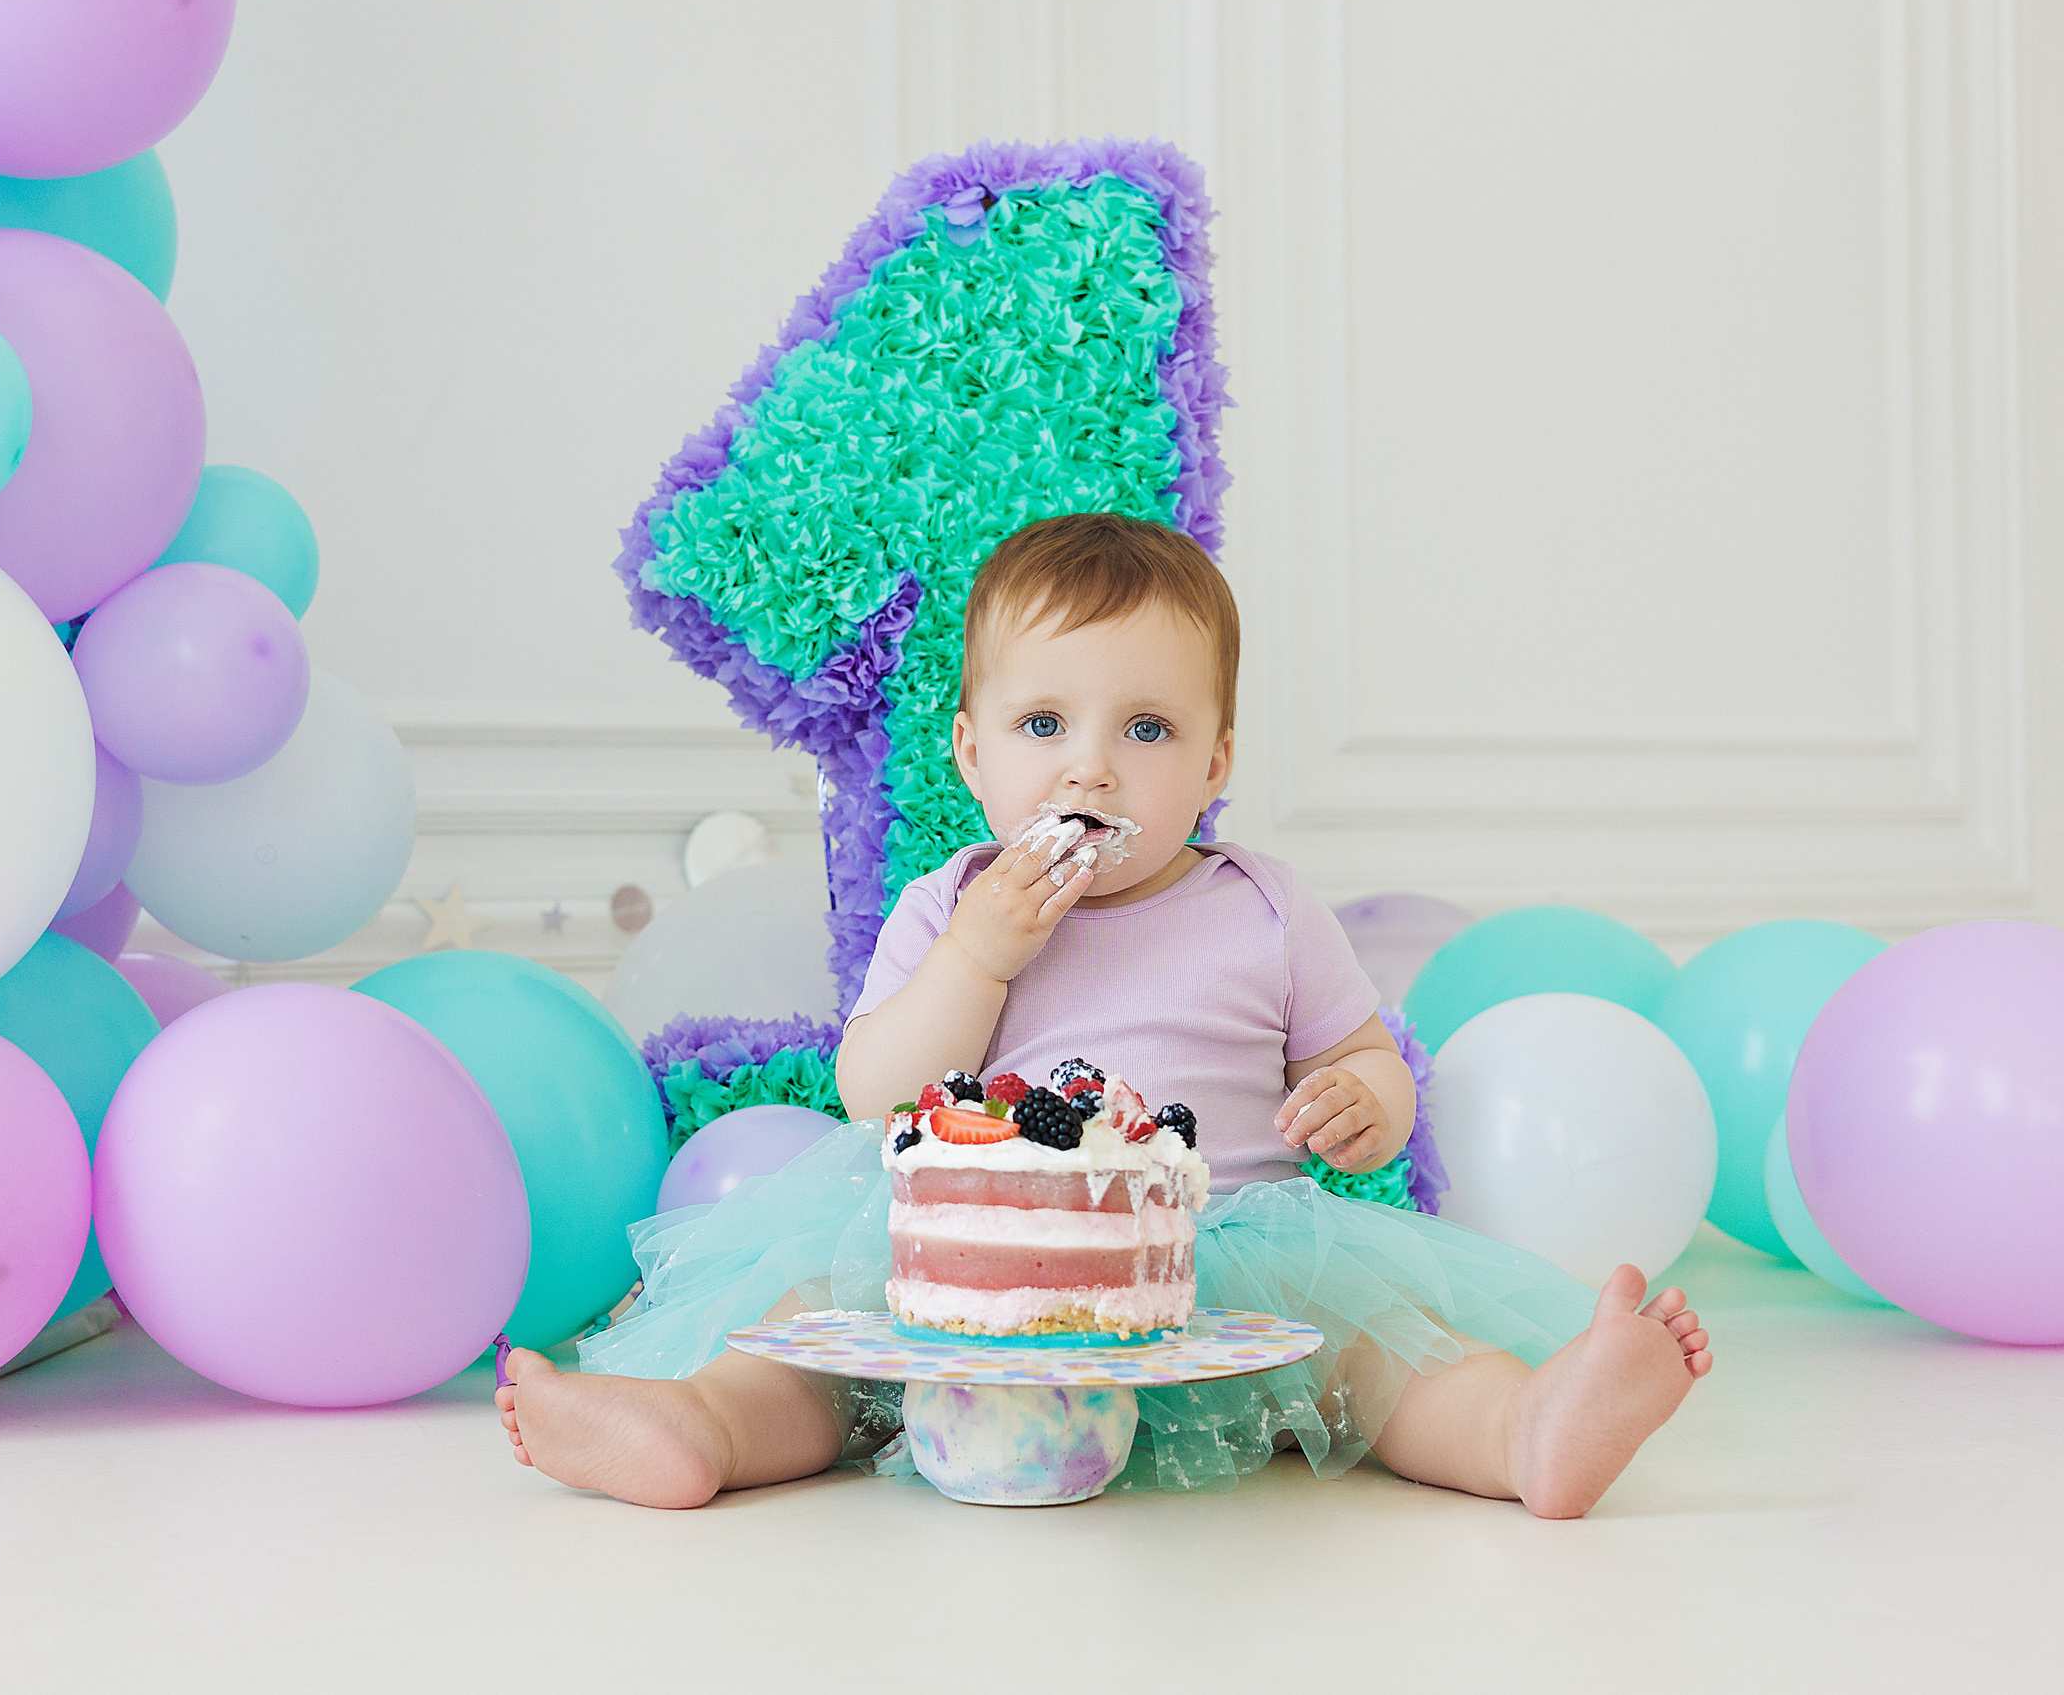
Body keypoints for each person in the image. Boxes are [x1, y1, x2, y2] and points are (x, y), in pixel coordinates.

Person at [498, 512, 1711, 1516]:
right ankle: (695, 1429)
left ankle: (1524, 1431)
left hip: (1228, 1268)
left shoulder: (1264, 908)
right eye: (1043, 727)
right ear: (971, 756)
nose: (1090, 770)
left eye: (1147, 729)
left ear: (1215, 762)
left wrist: (1366, 1104)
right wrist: (981, 958)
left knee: (1384, 1357)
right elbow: (877, 1097)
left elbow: (1361, 1058)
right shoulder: (951, 905)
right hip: (965, 1273)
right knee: (812, 1337)